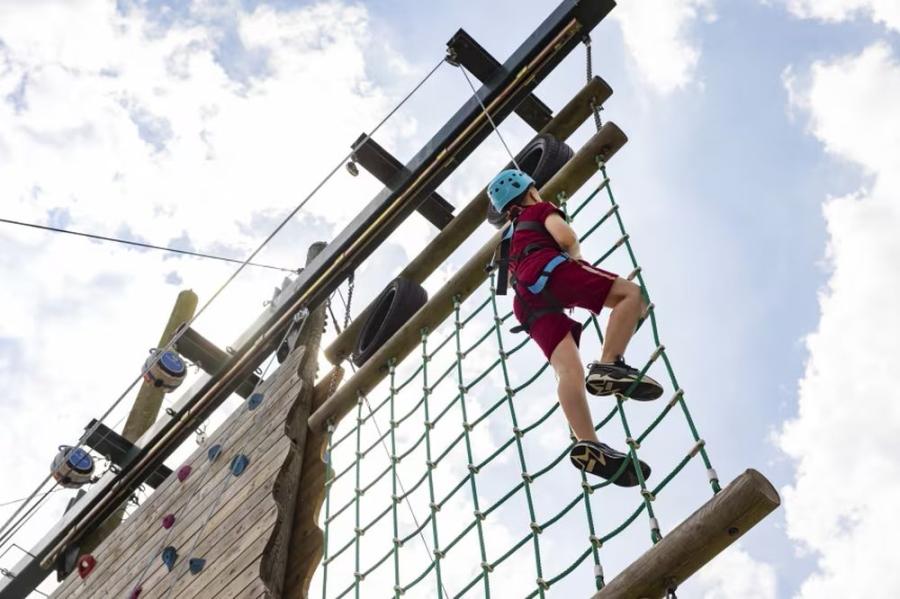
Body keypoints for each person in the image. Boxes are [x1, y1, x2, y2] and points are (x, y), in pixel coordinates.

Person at [487, 168, 663, 486]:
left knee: (569, 371)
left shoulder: (508, 240)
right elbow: (566, 238)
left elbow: (513, 277)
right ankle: (610, 363)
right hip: (549, 270)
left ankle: (588, 442)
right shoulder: (540, 209)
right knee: (633, 296)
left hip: (524, 303)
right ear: (531, 191)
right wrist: (576, 262)